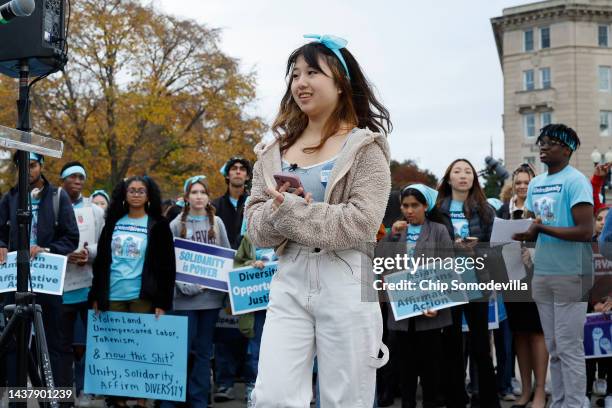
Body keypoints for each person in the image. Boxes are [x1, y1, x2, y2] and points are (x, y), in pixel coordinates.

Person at [246, 34, 392, 407]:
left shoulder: (366, 147)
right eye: (295, 74)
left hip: (347, 276)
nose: (301, 82)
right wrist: (285, 212)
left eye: (313, 72)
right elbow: (256, 228)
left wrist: (291, 210)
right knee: (272, 397)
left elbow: (360, 223)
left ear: (341, 83)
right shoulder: (271, 152)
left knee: (346, 398)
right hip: (289, 277)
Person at [514, 124, 594, 408]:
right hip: (543, 273)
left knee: (569, 347)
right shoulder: (535, 184)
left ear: (567, 148)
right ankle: (560, 402)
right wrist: (522, 233)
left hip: (572, 273)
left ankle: (575, 404)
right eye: (541, 142)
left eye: (550, 142)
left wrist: (542, 230)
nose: (543, 146)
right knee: (555, 347)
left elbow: (586, 231)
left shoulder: (577, 181)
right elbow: (534, 224)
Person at [89, 175, 176, 407]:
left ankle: (141, 401)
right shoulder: (113, 223)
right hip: (113, 296)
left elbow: (167, 267)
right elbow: (101, 263)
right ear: (124, 195)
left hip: (143, 298)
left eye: (141, 190)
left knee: (142, 351)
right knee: (116, 352)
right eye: (132, 190)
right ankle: (117, 400)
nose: (136, 194)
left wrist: (162, 302)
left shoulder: (158, 224)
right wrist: (97, 296)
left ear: (149, 196)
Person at [0, 152, 79, 396]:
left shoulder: (57, 196)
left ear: (41, 166)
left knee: (53, 344)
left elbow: (70, 237)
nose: (27, 171)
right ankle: (17, 398)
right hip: (15, 281)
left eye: (32, 165)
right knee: (13, 344)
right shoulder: (9, 198)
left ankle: (55, 398)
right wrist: (2, 244)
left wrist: (47, 249)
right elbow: (1, 231)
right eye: (21, 166)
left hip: (47, 281)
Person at [436, 158, 501, 408]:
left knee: (481, 346)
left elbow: (495, 248)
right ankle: (455, 399)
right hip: (448, 284)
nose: (463, 175)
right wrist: (451, 248)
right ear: (448, 178)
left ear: (474, 178)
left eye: (468, 171)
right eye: (457, 171)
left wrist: (477, 252)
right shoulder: (438, 209)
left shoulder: (485, 210)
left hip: (477, 284)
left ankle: (487, 400)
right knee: (451, 345)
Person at [161, 175, 231, 408]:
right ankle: (173, 399)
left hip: (210, 301)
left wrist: (220, 286)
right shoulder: (174, 225)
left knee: (203, 353)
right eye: (194, 192)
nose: (199, 196)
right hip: (183, 301)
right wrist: (185, 286)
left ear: (208, 196)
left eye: (203, 192)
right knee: (179, 352)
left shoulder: (217, 223)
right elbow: (169, 263)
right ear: (186, 197)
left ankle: (199, 401)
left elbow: (226, 257)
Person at [383, 184, 453, 408]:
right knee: (405, 368)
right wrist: (391, 237)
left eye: (414, 205)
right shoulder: (396, 231)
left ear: (426, 206)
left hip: (430, 311)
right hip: (403, 309)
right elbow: (381, 262)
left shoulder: (438, 231)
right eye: (405, 205)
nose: (409, 210)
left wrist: (438, 302)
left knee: (430, 366)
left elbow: (448, 268)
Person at [498, 164, 549, 408]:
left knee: (538, 333)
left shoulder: (541, 209)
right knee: (519, 333)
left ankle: (540, 390)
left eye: (526, 183)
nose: (521, 186)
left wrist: (533, 252)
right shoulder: (502, 210)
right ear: (512, 185)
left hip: (537, 277)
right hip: (511, 278)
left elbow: (551, 238)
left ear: (534, 185)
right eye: (518, 182)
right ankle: (525, 390)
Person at [56, 161, 105, 405]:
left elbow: (103, 242)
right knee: (62, 344)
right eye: (72, 177)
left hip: (88, 286)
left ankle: (86, 387)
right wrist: (66, 255)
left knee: (92, 340)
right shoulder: (52, 206)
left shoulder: (94, 211)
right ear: (62, 180)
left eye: (81, 178)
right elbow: (44, 240)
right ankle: (64, 390)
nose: (77, 181)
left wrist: (90, 254)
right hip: (62, 287)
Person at [212, 156, 252, 250]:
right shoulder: (214, 206)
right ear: (227, 175)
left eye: (242, 169)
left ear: (247, 176)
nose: (238, 172)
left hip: (249, 260)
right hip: (221, 258)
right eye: (234, 168)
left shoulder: (254, 204)